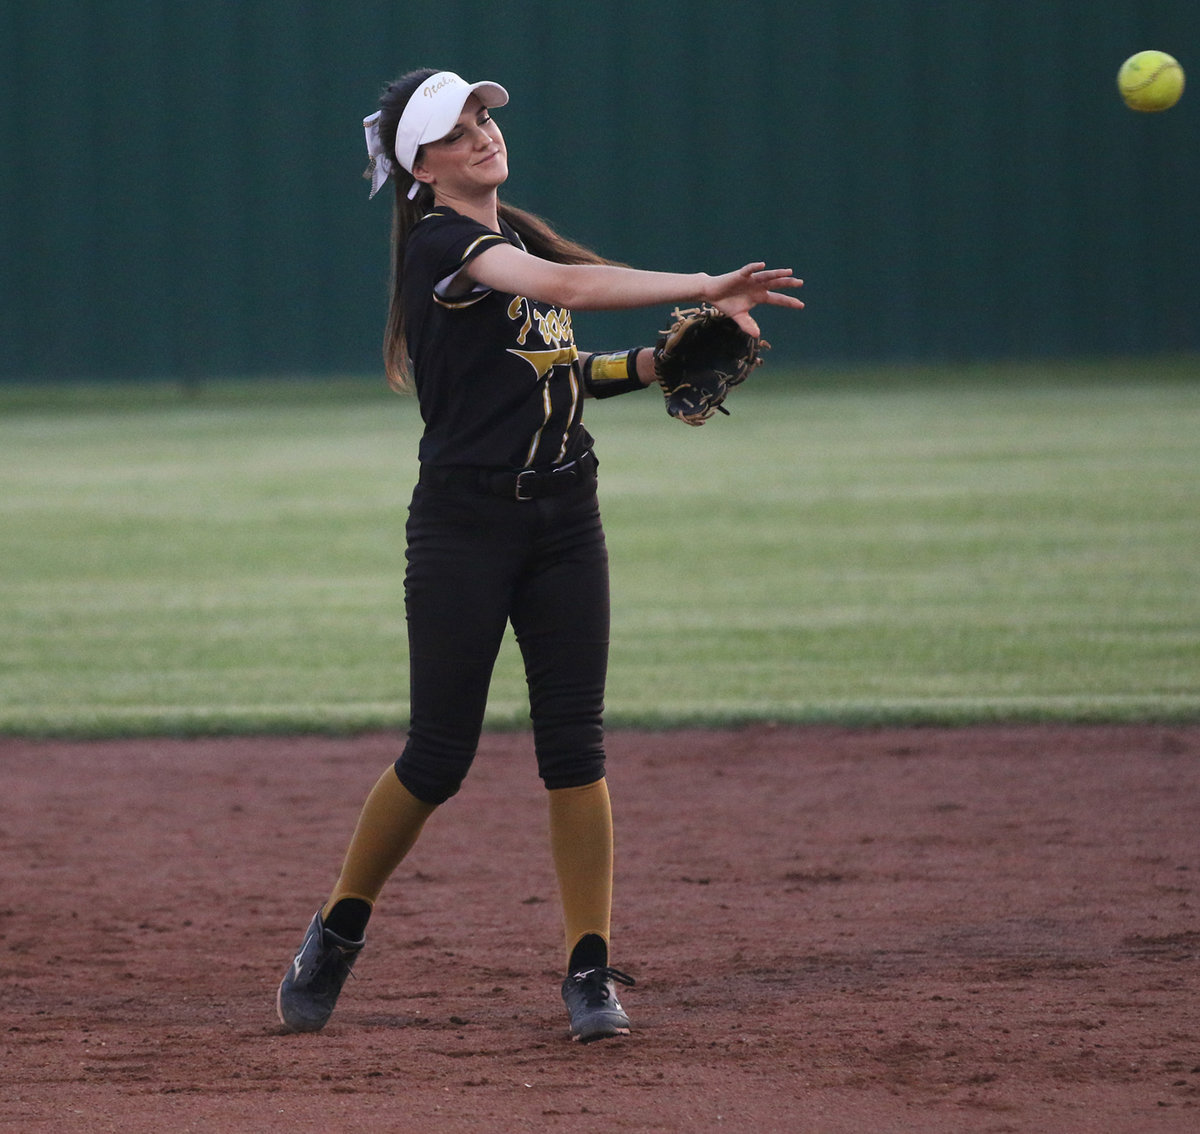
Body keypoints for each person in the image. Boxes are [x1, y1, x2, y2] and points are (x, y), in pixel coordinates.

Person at [276, 67, 804, 1043]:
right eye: (456, 126)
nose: (482, 132)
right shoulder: (443, 241)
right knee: (437, 756)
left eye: (483, 114)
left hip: (567, 520)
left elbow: (558, 366)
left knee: (575, 749)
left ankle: (589, 970)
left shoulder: (509, 235)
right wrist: (705, 285)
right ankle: (340, 927)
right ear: (418, 166)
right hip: (463, 529)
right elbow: (566, 289)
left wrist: (648, 367)